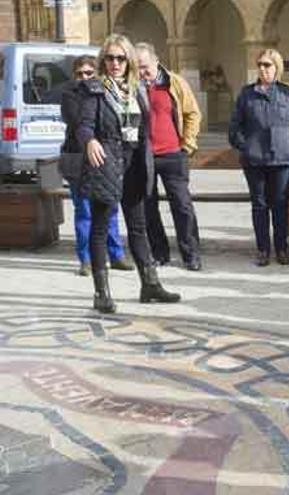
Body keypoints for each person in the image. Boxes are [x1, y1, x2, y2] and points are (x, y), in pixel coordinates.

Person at [77, 34, 181, 313]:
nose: (115, 63)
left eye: (120, 58)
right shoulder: (93, 89)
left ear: (129, 61)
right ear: (103, 61)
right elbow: (84, 124)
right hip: (107, 162)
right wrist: (90, 140)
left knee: (138, 226)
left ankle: (150, 284)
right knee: (100, 228)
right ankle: (102, 293)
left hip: (135, 162)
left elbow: (146, 127)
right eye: (110, 58)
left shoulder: (138, 89)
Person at [228, 49, 289, 266]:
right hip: (255, 160)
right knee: (259, 205)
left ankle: (282, 248)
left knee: (280, 204)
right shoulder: (247, 94)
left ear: (277, 68)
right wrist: (246, 146)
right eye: (260, 64)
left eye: (268, 65)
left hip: (282, 159)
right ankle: (263, 249)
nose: (263, 69)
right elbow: (235, 127)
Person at [61, 54, 133, 277]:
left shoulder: (106, 92)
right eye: (79, 73)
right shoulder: (70, 95)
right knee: (84, 211)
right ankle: (86, 259)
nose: (84, 77)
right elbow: (77, 121)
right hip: (78, 157)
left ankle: (116, 254)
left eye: (89, 73)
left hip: (105, 158)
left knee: (109, 208)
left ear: (97, 73)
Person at [135, 42, 203, 272]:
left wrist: (188, 144)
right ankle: (160, 253)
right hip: (144, 156)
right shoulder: (133, 86)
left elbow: (192, 113)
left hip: (173, 154)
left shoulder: (175, 82)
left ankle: (191, 254)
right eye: (137, 67)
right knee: (148, 207)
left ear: (156, 61)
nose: (142, 72)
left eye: (145, 66)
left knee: (182, 206)